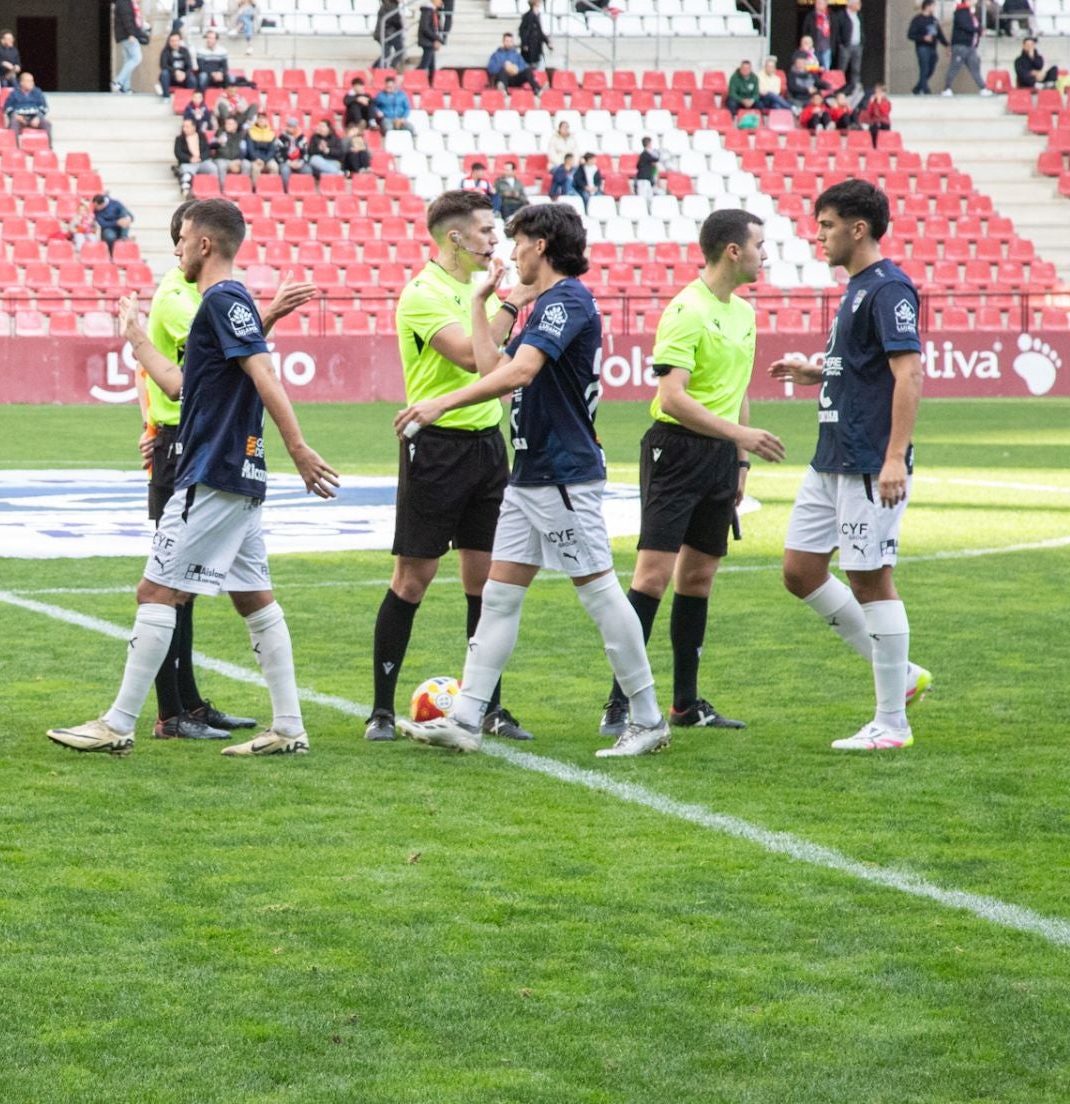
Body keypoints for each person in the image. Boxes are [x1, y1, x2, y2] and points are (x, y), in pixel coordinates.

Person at [49, 198, 338, 759]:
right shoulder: (224, 302)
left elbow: (265, 373)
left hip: (214, 470)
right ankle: (289, 728)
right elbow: (183, 386)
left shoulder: (225, 298)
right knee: (254, 598)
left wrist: (299, 447)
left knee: (155, 591)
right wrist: (135, 339)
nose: (176, 248)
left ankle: (118, 723)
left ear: (204, 244)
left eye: (181, 239)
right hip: (237, 472)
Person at [395, 203, 669, 757]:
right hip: (532, 474)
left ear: (541, 245)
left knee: (599, 595)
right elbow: (491, 366)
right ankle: (467, 720)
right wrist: (480, 303)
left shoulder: (566, 300)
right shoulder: (543, 304)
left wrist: (438, 403)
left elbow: (517, 374)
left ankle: (647, 718)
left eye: (517, 240)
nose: (509, 250)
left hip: (563, 475)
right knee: (498, 598)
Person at [586, 209, 779, 734]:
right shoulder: (686, 310)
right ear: (733, 251)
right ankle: (618, 703)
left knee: (698, 578)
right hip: (675, 452)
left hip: (719, 458)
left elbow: (737, 394)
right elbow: (671, 399)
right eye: (761, 244)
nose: (767, 254)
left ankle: (685, 704)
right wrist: (740, 438)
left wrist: (739, 462)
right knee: (651, 576)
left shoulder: (743, 313)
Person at [370, 187, 544, 736]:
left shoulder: (480, 290)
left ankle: (488, 706)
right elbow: (475, 358)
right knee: (412, 580)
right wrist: (513, 303)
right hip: (435, 448)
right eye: (487, 232)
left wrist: (502, 302)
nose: (495, 241)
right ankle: (379, 709)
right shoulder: (423, 293)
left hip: (488, 447)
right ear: (455, 237)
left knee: (486, 584)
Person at [769, 180, 931, 751]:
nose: (819, 236)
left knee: (869, 577)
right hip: (831, 453)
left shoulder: (889, 289)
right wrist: (820, 371)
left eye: (828, 225)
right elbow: (864, 364)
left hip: (867, 458)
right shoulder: (857, 288)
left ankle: (892, 723)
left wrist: (894, 458)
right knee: (799, 571)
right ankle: (902, 672)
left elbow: (908, 373)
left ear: (858, 228)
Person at [942, 0, 991, 96]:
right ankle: (947, 88)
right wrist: (979, 30)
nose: (973, 2)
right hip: (961, 45)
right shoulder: (961, 12)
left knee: (975, 67)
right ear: (966, 0)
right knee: (954, 67)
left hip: (970, 46)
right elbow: (966, 26)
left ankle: (983, 88)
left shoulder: (969, 13)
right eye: (972, 0)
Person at [110, 0, 145, 95]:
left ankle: (126, 87)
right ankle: (118, 81)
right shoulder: (125, 2)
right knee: (136, 58)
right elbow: (127, 19)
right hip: (127, 35)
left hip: (123, 35)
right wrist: (132, 33)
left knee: (128, 60)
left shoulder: (123, 1)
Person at [905, 0, 945, 96]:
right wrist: (923, 38)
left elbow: (939, 34)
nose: (934, 8)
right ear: (927, 6)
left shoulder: (934, 20)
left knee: (931, 69)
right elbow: (910, 35)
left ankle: (917, 88)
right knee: (924, 68)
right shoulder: (917, 20)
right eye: (933, 6)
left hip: (932, 48)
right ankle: (926, 90)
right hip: (922, 47)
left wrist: (947, 45)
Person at [831, 0, 864, 89]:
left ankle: (855, 87)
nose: (860, 5)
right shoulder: (841, 16)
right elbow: (836, 31)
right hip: (846, 45)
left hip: (857, 45)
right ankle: (839, 87)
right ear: (851, 4)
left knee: (856, 69)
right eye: (858, 3)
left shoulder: (859, 16)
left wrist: (862, 41)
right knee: (842, 68)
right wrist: (841, 44)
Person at [3, 71, 50, 136]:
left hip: (34, 117)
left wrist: (38, 117)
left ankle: (48, 146)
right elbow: (7, 107)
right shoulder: (14, 93)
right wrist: (15, 115)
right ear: (22, 83)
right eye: (28, 81)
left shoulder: (38, 92)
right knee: (14, 124)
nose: (32, 83)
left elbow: (44, 108)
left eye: (32, 81)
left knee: (47, 125)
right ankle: (14, 145)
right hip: (19, 118)